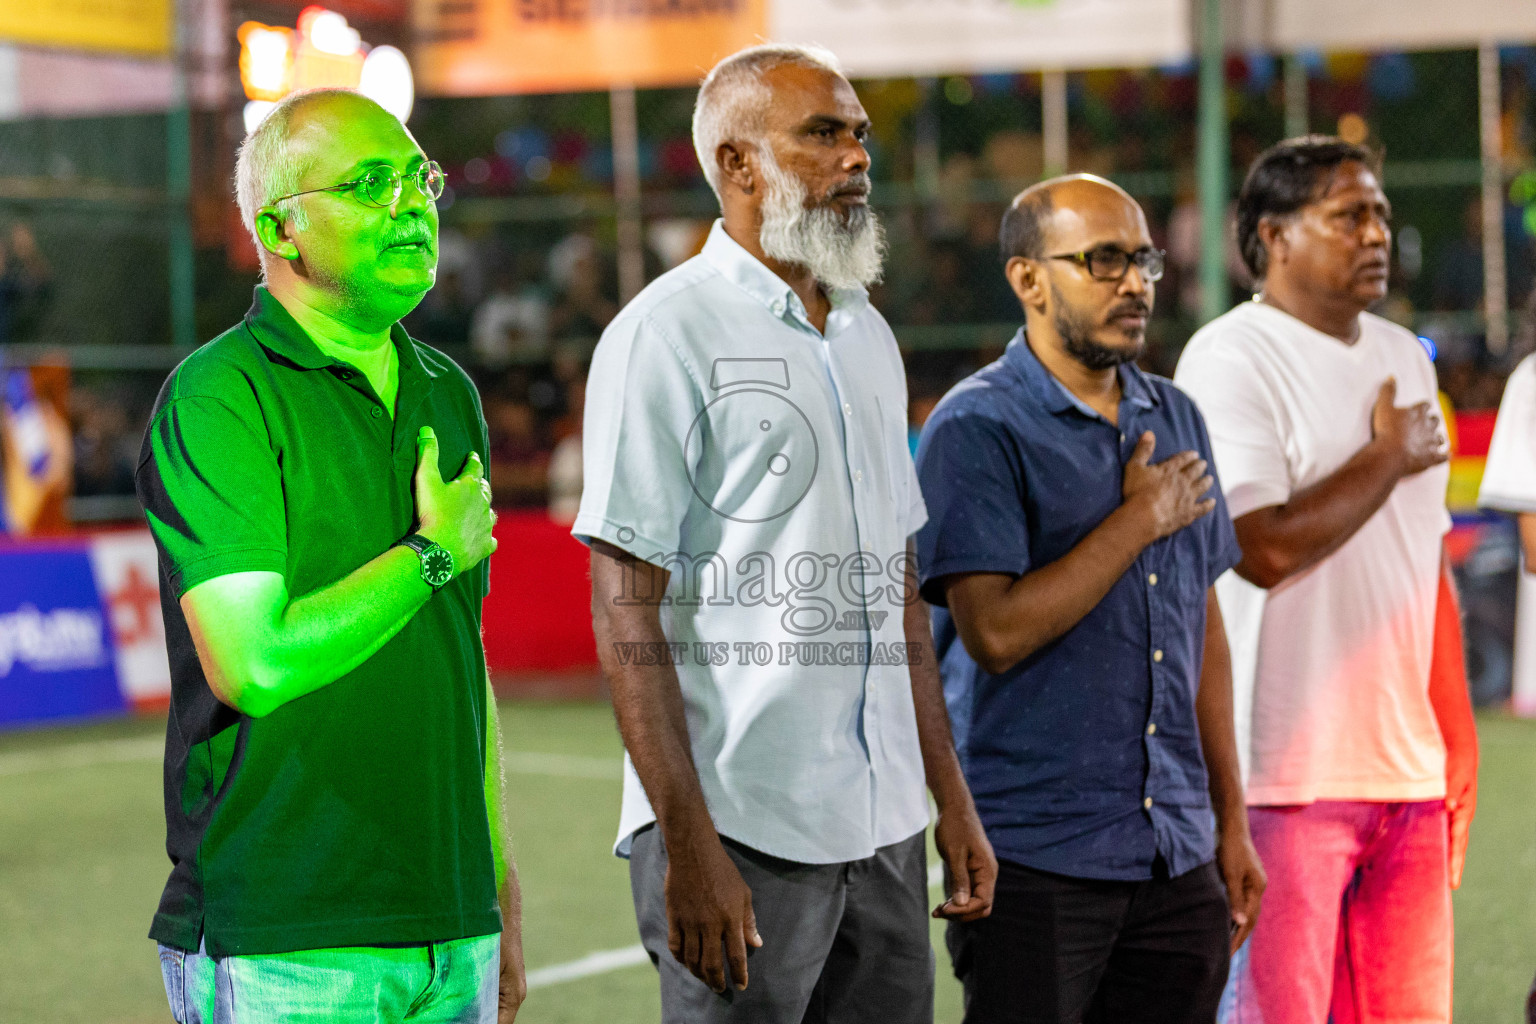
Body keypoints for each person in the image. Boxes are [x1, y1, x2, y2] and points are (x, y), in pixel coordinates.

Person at [576, 44, 996, 1024]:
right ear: (738, 165)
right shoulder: (662, 335)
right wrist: (687, 843)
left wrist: (949, 796)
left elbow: (895, 586)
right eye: (822, 134)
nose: (856, 156)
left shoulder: (866, 335)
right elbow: (624, 600)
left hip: (884, 826)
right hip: (740, 827)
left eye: (858, 135)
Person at [135, 88, 525, 1023]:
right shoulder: (220, 397)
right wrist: (432, 554)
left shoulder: (447, 392)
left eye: (418, 178)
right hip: (289, 934)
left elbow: (459, 665)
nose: (412, 205)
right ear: (281, 226)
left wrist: (494, 876)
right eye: (370, 183)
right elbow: (254, 663)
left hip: (452, 921)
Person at [915, 175, 1263, 1024]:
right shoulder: (976, 428)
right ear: (1027, 279)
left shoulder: (1175, 413)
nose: (1135, 282)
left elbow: (1201, 625)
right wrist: (1137, 522)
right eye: (1102, 260)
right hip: (1034, 858)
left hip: (1174, 856)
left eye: (1141, 259)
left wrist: (1230, 817)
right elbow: (993, 633)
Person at [1174, 135, 1478, 1024]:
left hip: (1406, 779)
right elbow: (1258, 549)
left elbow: (1425, 567)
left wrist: (1451, 738)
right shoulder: (1229, 357)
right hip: (1281, 779)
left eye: (1380, 212)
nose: (1377, 232)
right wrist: (1386, 456)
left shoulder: (1404, 354)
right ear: (1272, 236)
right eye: (1349, 215)